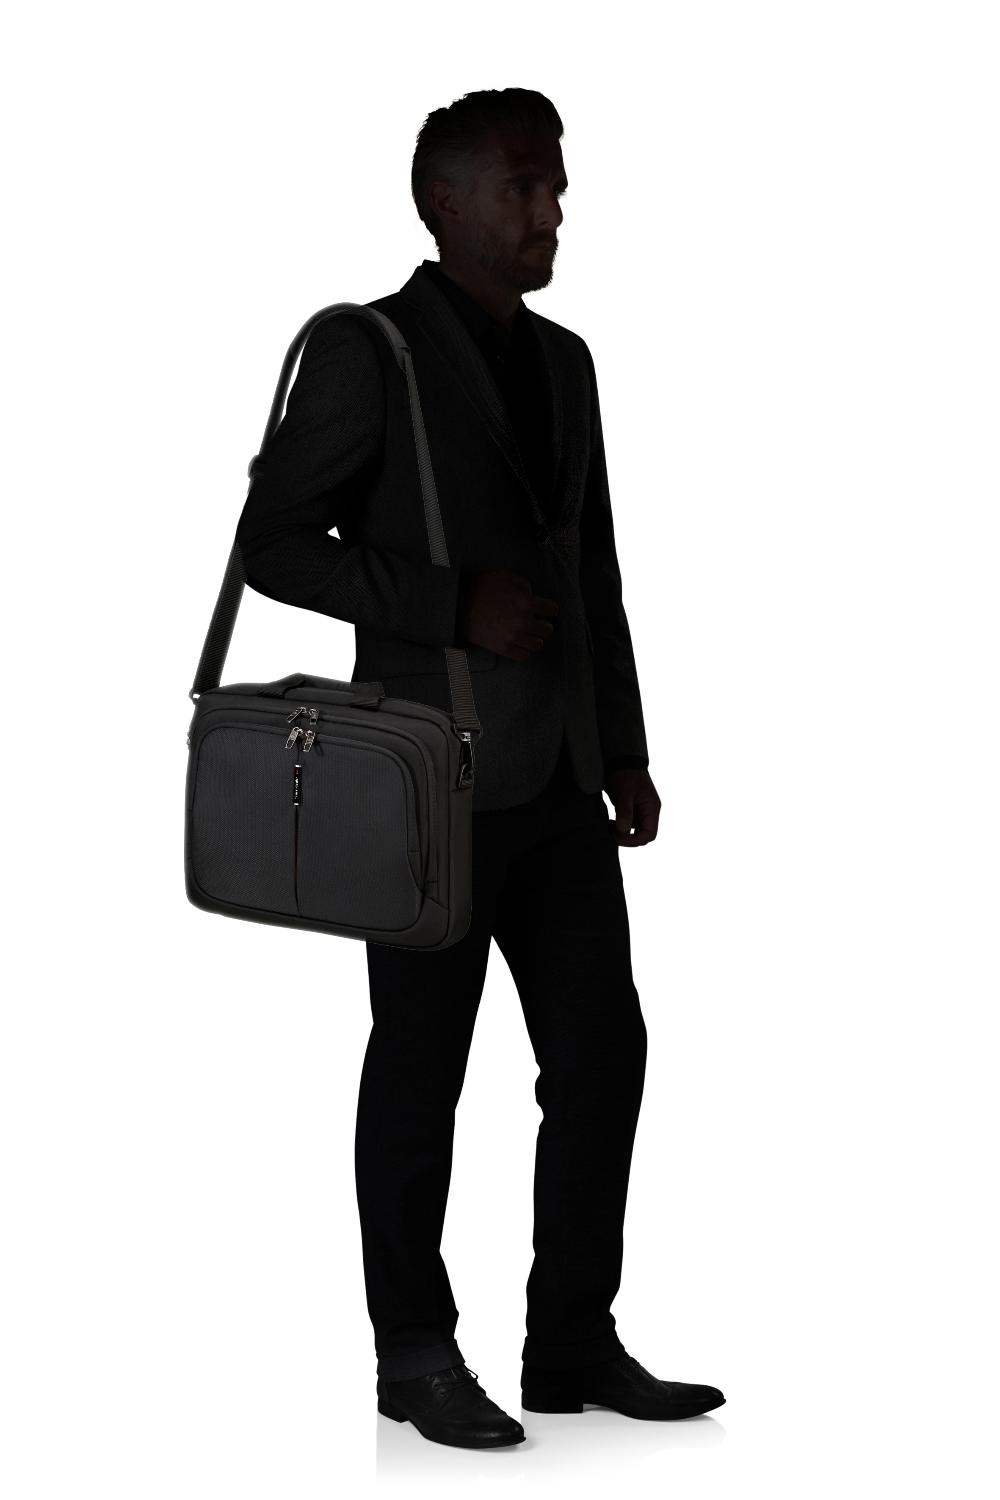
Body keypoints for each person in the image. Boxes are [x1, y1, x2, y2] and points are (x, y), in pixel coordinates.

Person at [235, 86, 724, 1450]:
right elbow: (274, 543)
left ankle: (570, 1340)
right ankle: (412, 1353)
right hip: (422, 789)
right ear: (443, 203)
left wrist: (624, 744)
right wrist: (450, 605)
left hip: (558, 780)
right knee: (419, 1076)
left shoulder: (567, 362)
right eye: (524, 186)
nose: (552, 209)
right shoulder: (369, 351)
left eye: (555, 184)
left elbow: (593, 565)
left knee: (604, 1058)